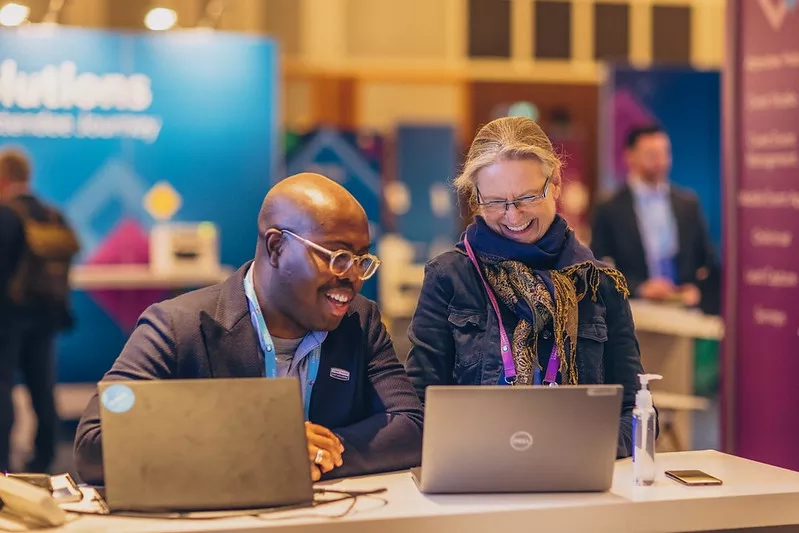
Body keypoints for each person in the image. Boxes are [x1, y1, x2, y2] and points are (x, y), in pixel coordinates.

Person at [74, 173, 423, 485]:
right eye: (337, 257)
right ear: (276, 247)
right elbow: (96, 443)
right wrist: (260, 447)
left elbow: (410, 427)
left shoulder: (359, 322)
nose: (352, 277)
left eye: (361, 260)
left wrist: (317, 453)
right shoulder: (177, 327)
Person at [405, 117, 650, 458]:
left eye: (527, 197)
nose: (513, 216)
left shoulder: (599, 284)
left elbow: (633, 408)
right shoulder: (450, 277)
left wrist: (587, 450)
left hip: (578, 479)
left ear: (557, 184)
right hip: (476, 474)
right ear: (476, 198)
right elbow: (419, 404)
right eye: (494, 202)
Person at [0, 147, 79, 473]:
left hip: (7, 317)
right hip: (47, 315)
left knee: (2, 388)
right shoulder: (51, 214)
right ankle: (45, 459)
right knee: (43, 389)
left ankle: (2, 462)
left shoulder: (5, 215)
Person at [590, 125, 717, 310]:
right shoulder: (610, 207)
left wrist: (697, 289)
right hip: (634, 311)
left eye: (664, 153)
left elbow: (707, 259)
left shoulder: (687, 204)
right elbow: (598, 267)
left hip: (683, 309)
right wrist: (640, 288)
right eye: (651, 154)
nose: (660, 161)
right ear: (630, 156)